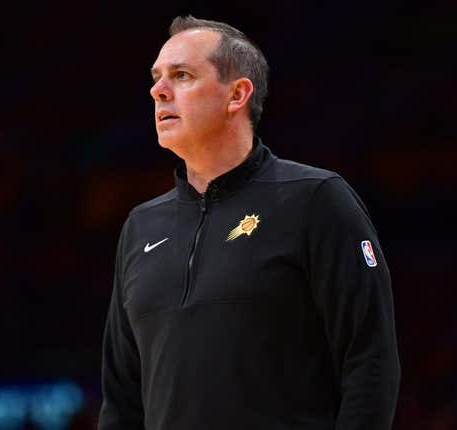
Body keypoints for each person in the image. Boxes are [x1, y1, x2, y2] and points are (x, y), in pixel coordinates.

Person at [99, 15, 400, 430]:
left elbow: (370, 361)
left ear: (237, 94)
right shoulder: (140, 227)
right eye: (156, 78)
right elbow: (121, 397)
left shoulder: (316, 199)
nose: (158, 90)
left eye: (181, 75)